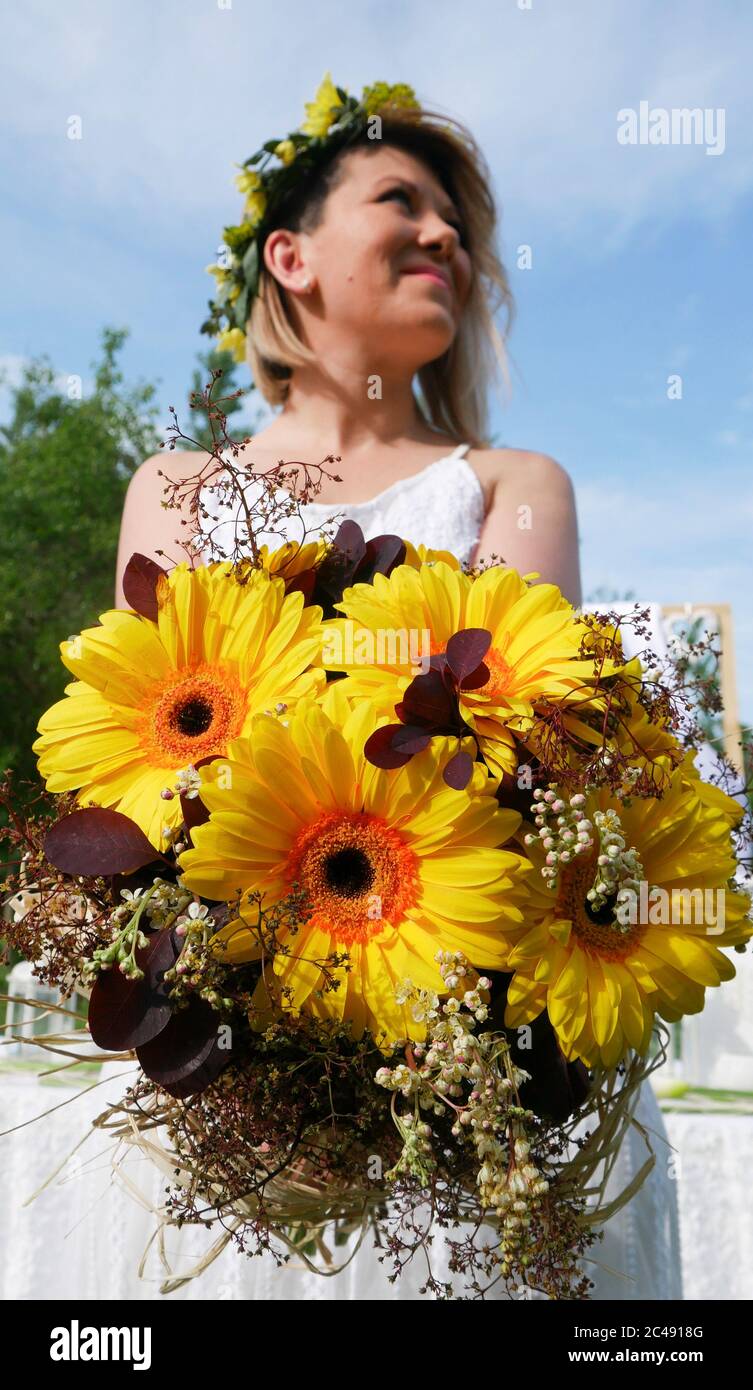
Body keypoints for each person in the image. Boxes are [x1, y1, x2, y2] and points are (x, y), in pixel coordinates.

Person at [113, 77, 682, 1301]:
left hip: (455, 1103)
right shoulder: (177, 488)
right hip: (236, 1105)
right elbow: (140, 782)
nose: (448, 240)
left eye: (461, 228)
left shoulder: (516, 485)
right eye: (401, 202)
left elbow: (518, 758)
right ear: (293, 255)